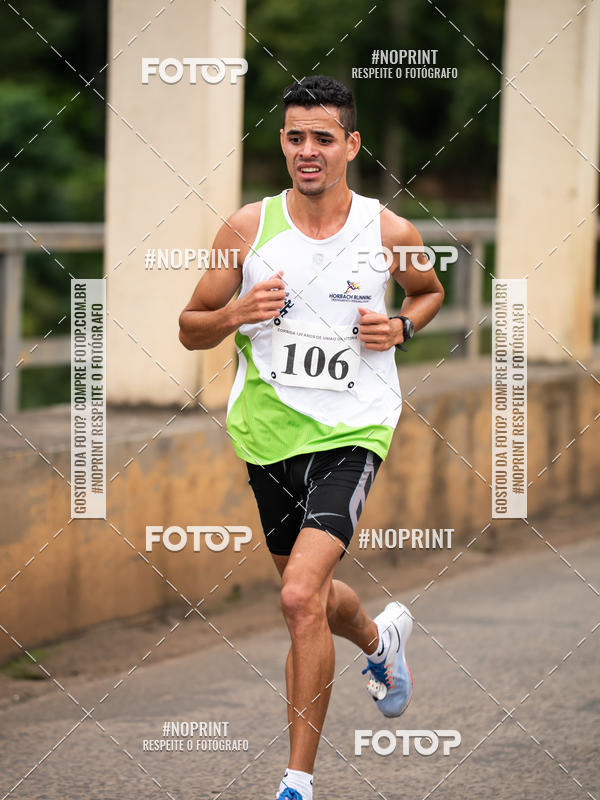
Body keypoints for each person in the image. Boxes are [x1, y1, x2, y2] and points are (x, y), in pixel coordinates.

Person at [179, 75, 444, 800]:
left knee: (298, 596)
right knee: (316, 598)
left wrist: (403, 327)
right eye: (295, 136)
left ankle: (297, 782)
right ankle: (379, 642)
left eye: (323, 137)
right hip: (267, 436)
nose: (307, 150)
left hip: (355, 427)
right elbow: (190, 327)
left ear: (351, 145)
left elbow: (428, 291)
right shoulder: (248, 228)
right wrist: (237, 312)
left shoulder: (388, 231)